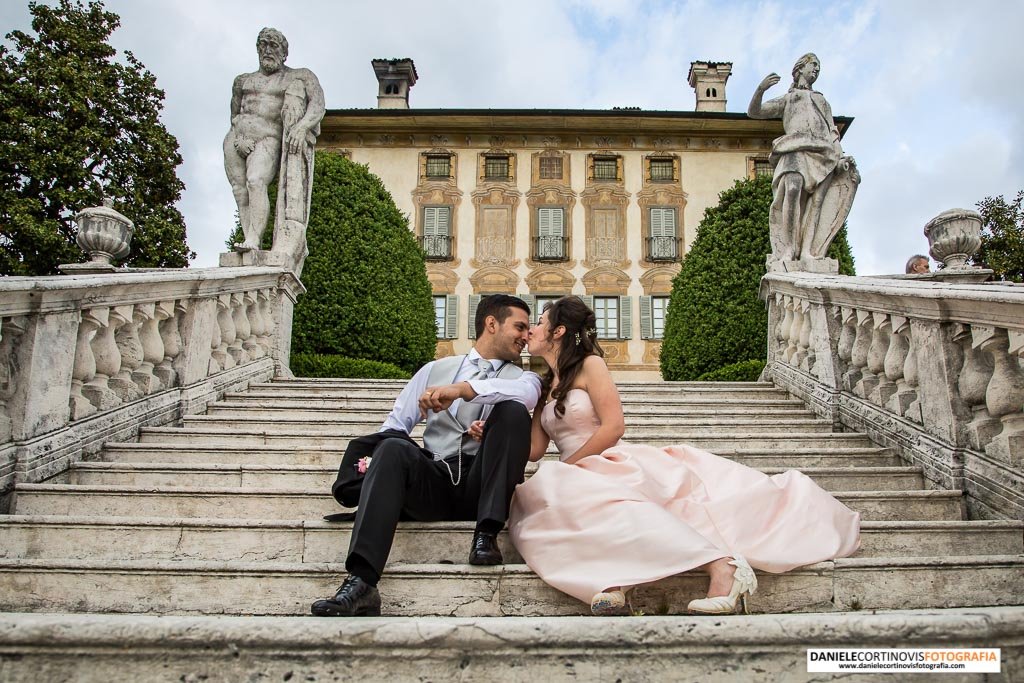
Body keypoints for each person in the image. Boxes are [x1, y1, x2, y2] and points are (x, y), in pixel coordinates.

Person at [500, 296, 860, 616]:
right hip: (572, 471)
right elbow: (534, 451)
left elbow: (613, 427)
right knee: (541, 498)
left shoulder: (590, 366)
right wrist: (496, 427)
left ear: (559, 331)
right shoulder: (545, 385)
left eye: (539, 323)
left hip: (606, 459)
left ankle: (721, 567)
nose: (530, 330)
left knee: (592, 495)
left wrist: (572, 467)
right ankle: (613, 575)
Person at [310, 294, 542, 617]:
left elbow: (527, 397)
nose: (526, 336)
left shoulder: (526, 378)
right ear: (492, 324)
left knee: (514, 412)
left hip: (484, 486)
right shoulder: (434, 370)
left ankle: (486, 536)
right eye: (520, 327)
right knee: (392, 446)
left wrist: (461, 392)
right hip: (436, 478)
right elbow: (394, 426)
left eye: (528, 329)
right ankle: (362, 582)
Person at [224, 28, 325, 254]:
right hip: (236, 138)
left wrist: (301, 127)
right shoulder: (242, 81)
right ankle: (251, 241)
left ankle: (253, 237)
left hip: (268, 138)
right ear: (258, 48)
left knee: (255, 181)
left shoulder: (299, 76)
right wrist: (238, 136)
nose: (268, 50)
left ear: (284, 53)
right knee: (240, 191)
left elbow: (318, 105)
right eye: (263, 45)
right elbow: (234, 113)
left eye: (274, 45)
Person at [748, 53, 856, 264]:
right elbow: (755, 112)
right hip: (795, 146)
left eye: (818, 67)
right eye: (813, 64)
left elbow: (832, 130)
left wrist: (840, 156)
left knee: (817, 202)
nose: (816, 69)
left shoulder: (821, 99)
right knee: (792, 190)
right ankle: (788, 249)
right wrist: (761, 89)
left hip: (823, 152)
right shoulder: (789, 98)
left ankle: (808, 252)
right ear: (799, 69)